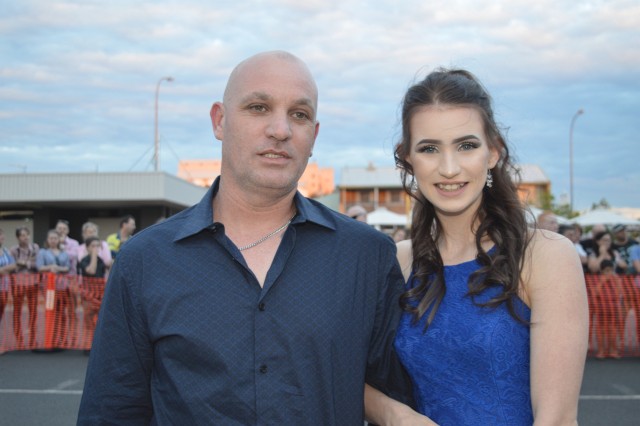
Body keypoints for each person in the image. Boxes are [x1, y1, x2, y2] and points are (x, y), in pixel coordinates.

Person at [78, 51, 408, 424]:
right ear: (219, 121)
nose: (281, 130)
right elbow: (112, 410)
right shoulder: (145, 261)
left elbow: (396, 399)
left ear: (314, 135)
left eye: (299, 114)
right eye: (258, 107)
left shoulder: (367, 256)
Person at [366, 68, 588, 425]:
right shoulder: (398, 260)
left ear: (494, 152)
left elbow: (557, 419)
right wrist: (395, 414)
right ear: (407, 157)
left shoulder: (545, 255)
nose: (449, 168)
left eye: (466, 146)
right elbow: (342, 370)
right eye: (429, 149)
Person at [36, 229, 71, 347]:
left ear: (58, 240)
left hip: (62, 287)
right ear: (47, 240)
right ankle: (51, 338)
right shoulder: (43, 252)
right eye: (51, 238)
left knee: (62, 312)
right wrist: (50, 267)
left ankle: (62, 338)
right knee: (51, 311)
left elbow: (67, 267)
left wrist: (58, 268)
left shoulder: (64, 253)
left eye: (55, 238)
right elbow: (39, 267)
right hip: (49, 288)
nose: (53, 240)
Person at [10, 226, 40, 349]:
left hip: (33, 283)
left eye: (27, 234)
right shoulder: (13, 250)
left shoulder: (35, 247)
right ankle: (19, 341)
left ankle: (33, 340)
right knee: (17, 312)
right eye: (22, 235)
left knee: (33, 312)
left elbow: (37, 264)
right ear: (18, 237)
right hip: (17, 284)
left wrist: (23, 262)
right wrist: (28, 262)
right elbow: (13, 266)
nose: (25, 237)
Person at [593, 259, 623, 358]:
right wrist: (602, 282)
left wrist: (617, 282)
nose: (609, 273)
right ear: (602, 271)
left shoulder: (616, 279)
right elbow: (595, 293)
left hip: (613, 309)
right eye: (607, 270)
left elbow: (619, 293)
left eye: (611, 270)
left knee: (613, 330)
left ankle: (613, 350)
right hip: (601, 309)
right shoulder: (597, 279)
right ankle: (601, 351)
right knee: (600, 330)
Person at [0, 228, 17, 325]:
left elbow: (13, 265)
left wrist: (2, 270)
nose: (1, 237)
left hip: (4, 288)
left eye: (2, 234)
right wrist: (5, 270)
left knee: (1, 311)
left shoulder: (6, 251)